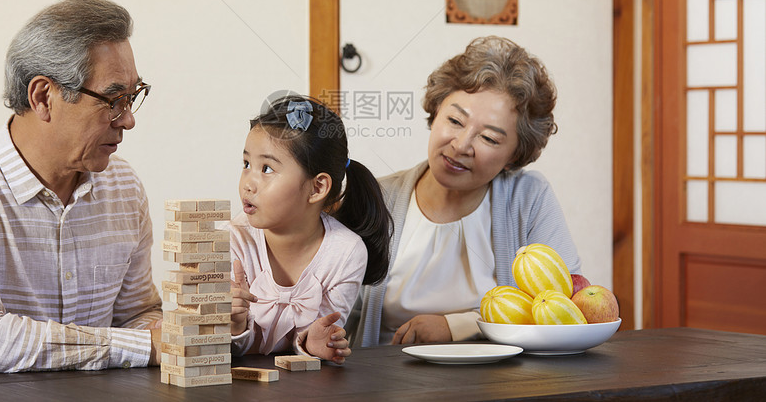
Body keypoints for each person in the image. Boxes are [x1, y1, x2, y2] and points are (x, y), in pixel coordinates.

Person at [0, 0, 163, 375]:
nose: (127, 120)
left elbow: (138, 315)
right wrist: (143, 344)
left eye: (132, 96)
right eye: (113, 99)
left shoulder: (122, 186)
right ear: (43, 97)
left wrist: (197, 330)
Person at [348, 35, 584, 347]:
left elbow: (563, 306)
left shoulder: (529, 198)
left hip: (502, 384)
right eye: (455, 120)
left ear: (514, 155)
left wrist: (455, 326)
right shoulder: (379, 196)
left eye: (488, 138)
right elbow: (335, 307)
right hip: (388, 383)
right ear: (436, 112)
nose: (461, 145)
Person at [230, 94, 391, 362]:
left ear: (317, 187)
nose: (248, 183)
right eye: (247, 164)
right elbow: (211, 350)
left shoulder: (346, 253)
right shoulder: (231, 241)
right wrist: (232, 327)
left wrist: (312, 343)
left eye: (267, 168)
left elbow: (312, 339)